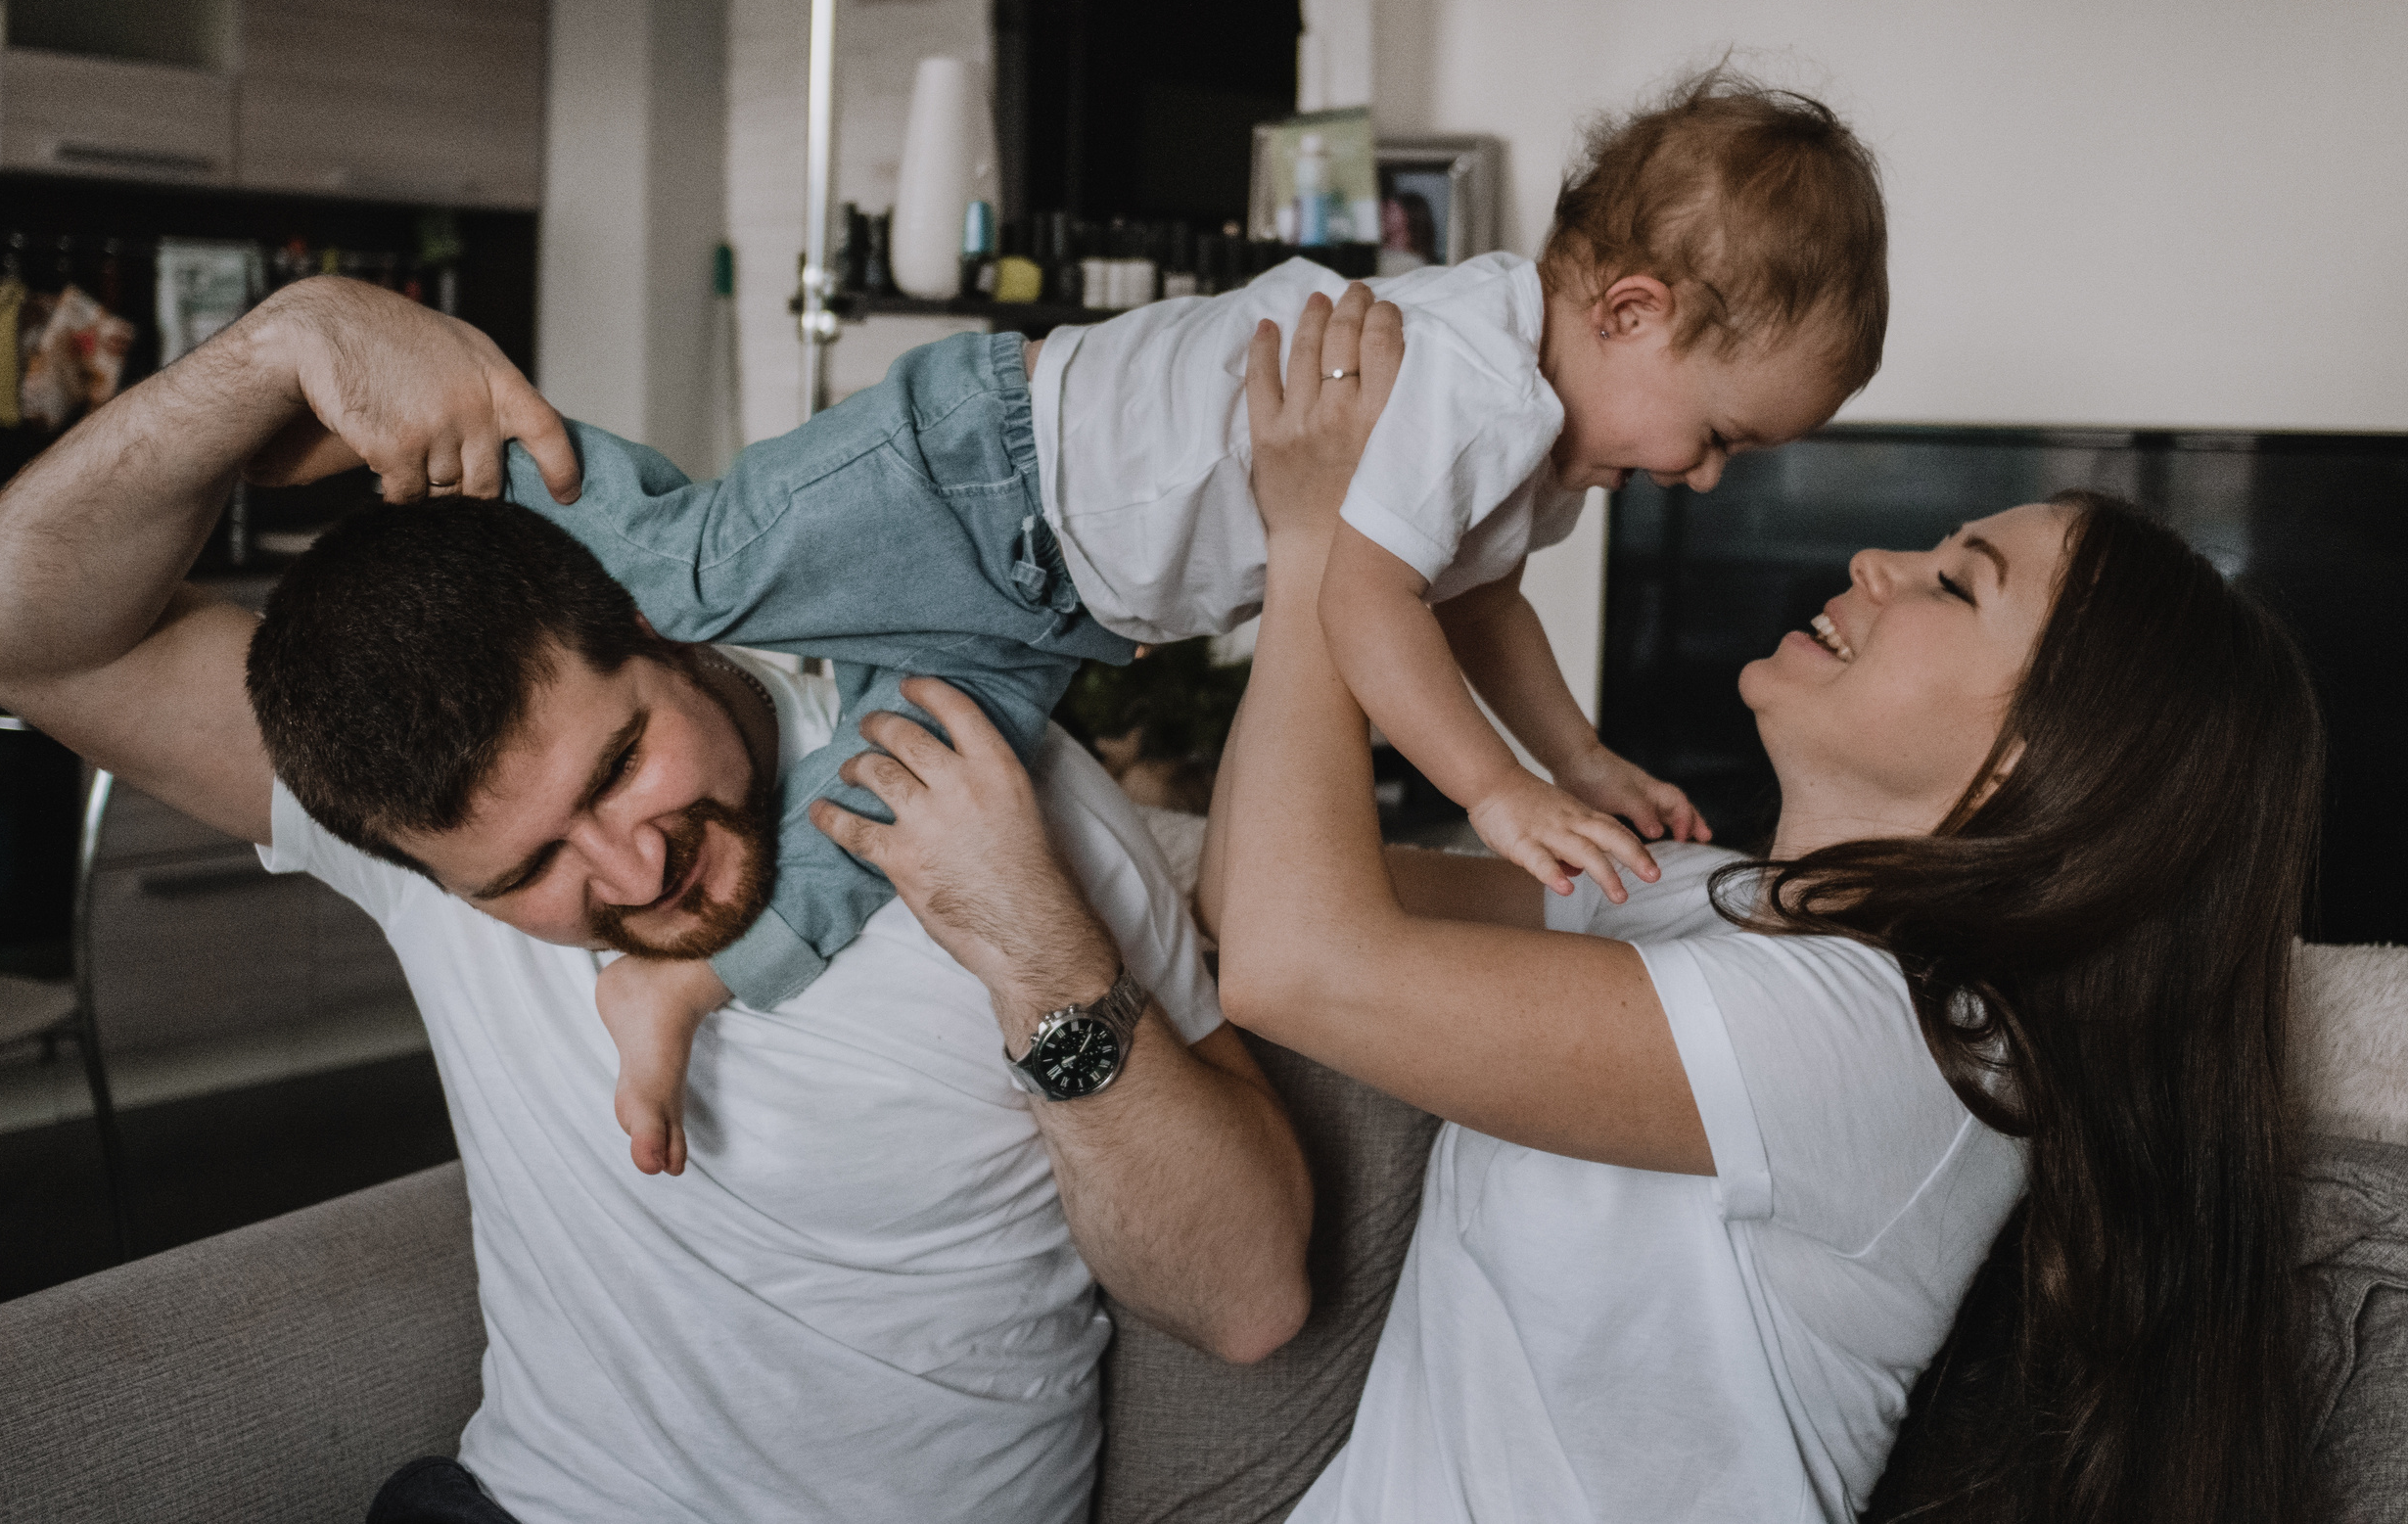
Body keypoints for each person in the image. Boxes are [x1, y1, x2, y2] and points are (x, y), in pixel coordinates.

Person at [845, 287, 2322, 1522]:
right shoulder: (1707, 903)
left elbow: (1297, 964)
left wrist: (1323, 548)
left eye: (1955, 584)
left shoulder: (1909, 1047)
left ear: (2030, 764)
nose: (1880, 561)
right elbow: (1256, 895)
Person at [0, 276, 1313, 1524]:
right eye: (529, 873)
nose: (636, 873)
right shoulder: (409, 843)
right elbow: (6, 628)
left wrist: (1037, 951)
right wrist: (286, 343)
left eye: (622, 765)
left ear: (652, 625)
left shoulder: (999, 795)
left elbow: (1248, 1301)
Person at [486, 67, 1887, 1170]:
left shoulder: (1544, 463)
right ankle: (479, 445)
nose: (1707, 478)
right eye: (1719, 435)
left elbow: (1483, 606)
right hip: (988, 468)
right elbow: (1364, 599)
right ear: (1633, 311)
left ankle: (680, 988)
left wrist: (1574, 758)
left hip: (1052, 614)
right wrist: (1494, 790)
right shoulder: (1475, 380)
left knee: (889, 813)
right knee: (682, 574)